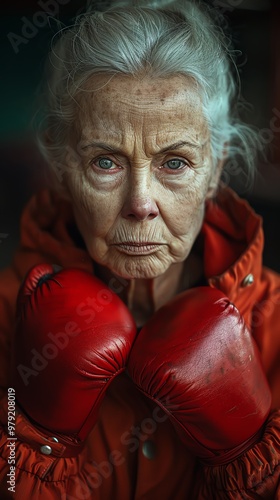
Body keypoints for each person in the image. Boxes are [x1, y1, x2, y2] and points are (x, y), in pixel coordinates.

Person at [0, 0, 279, 498]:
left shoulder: (275, 319)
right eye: (106, 161)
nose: (140, 204)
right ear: (63, 166)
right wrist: (36, 437)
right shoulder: (5, 315)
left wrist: (249, 456)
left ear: (215, 169)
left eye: (175, 163)